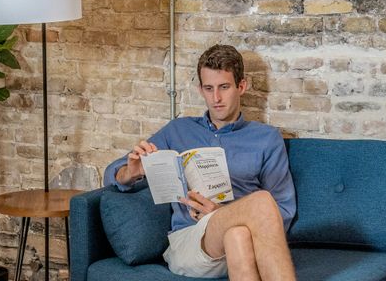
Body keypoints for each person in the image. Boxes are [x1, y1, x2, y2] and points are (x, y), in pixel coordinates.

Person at [105, 45, 297, 280]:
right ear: (200, 89)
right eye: (209, 88)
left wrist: (221, 213)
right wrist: (130, 172)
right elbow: (112, 174)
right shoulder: (178, 130)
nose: (216, 98)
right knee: (260, 202)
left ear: (241, 86)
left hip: (243, 241)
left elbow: (284, 211)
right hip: (190, 240)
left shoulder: (266, 138)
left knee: (238, 234)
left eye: (224, 87)